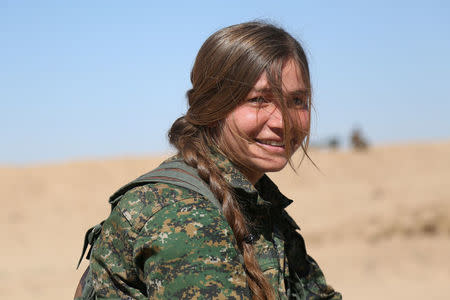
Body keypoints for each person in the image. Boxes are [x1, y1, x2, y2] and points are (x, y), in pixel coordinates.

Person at [75, 21, 342, 300]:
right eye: (259, 100)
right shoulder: (186, 216)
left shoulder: (255, 201)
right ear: (213, 107)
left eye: (297, 100)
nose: (282, 122)